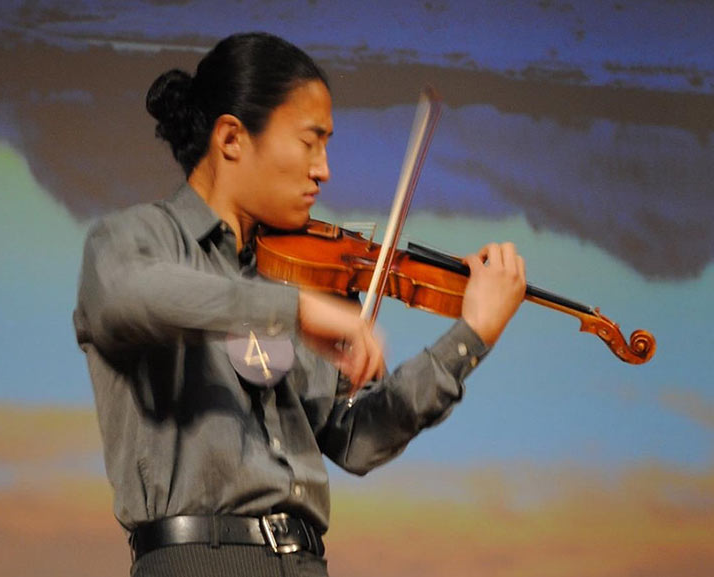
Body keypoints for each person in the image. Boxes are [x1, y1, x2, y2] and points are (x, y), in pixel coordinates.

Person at [73, 32, 526, 577]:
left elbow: (355, 437)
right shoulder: (135, 241)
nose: (323, 169)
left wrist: (471, 336)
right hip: (196, 562)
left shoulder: (300, 271)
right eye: (310, 142)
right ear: (232, 138)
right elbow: (131, 299)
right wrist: (296, 311)